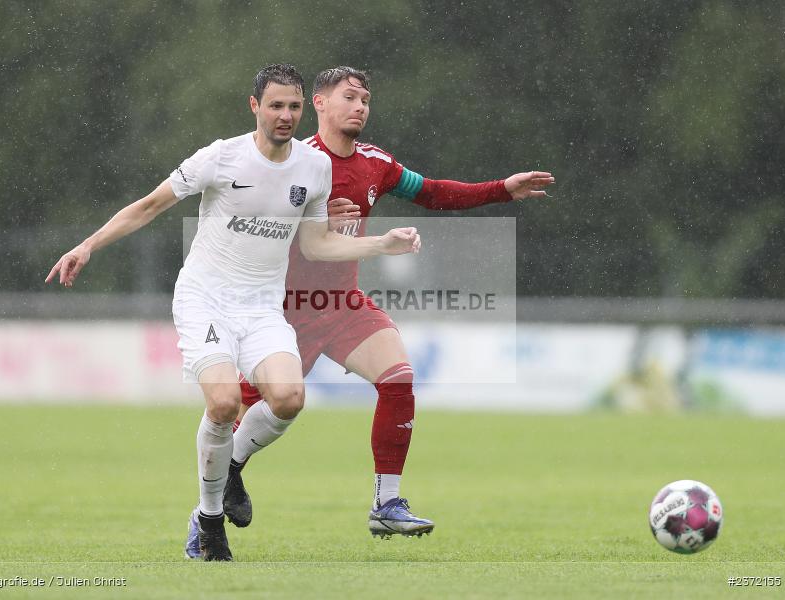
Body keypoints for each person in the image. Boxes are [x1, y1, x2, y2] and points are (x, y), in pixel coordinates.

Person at [45, 64, 421, 561]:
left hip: (264, 306)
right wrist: (88, 245)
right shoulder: (221, 158)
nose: (284, 115)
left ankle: (229, 480)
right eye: (275, 106)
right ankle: (208, 520)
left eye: (292, 106)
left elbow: (315, 244)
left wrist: (381, 244)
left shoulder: (314, 168)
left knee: (288, 399)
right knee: (223, 404)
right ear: (255, 107)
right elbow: (149, 205)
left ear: (301, 108)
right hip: (206, 299)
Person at [227, 66, 554, 539]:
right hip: (283, 311)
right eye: (350, 96)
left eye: (366, 99)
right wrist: (306, 223)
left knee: (399, 378)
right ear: (319, 103)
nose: (360, 105)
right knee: (237, 419)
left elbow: (435, 193)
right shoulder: (292, 161)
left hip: (341, 304)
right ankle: (214, 499)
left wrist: (501, 189)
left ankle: (386, 503)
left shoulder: (376, 163)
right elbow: (250, 232)